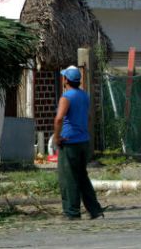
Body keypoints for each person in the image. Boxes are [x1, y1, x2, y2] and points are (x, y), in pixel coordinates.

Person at [53, 65, 105, 220]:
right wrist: (84, 134)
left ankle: (72, 212)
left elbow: (59, 118)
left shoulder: (66, 97)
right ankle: (94, 210)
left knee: (68, 178)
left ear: (66, 79)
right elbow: (89, 118)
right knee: (82, 176)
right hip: (83, 142)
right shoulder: (84, 95)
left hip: (69, 142)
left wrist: (57, 137)